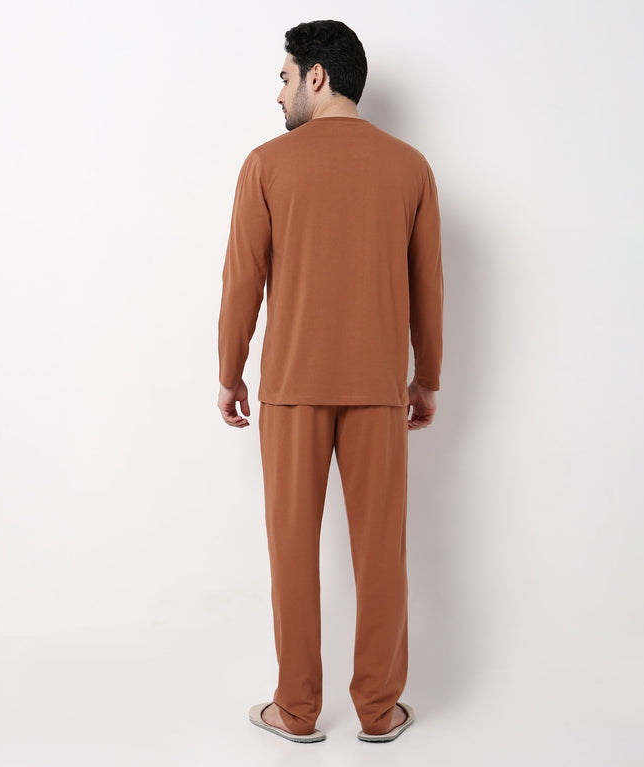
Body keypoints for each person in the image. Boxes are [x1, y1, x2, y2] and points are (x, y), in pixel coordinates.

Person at [216, 19, 443, 744]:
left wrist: (229, 372)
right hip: (379, 386)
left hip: (291, 386)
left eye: (285, 77)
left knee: (291, 550)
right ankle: (379, 711)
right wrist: (427, 377)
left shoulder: (266, 164)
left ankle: (296, 709)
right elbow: (427, 284)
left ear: (317, 76)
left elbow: (242, 280)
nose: (280, 94)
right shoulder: (410, 167)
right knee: (381, 553)